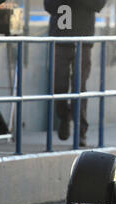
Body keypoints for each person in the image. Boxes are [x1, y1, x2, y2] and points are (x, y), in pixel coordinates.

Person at [44, 0, 107, 147]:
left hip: (83, 41)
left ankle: (81, 132)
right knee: (58, 85)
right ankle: (64, 117)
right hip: (59, 40)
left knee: (79, 86)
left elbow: (99, 5)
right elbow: (49, 6)